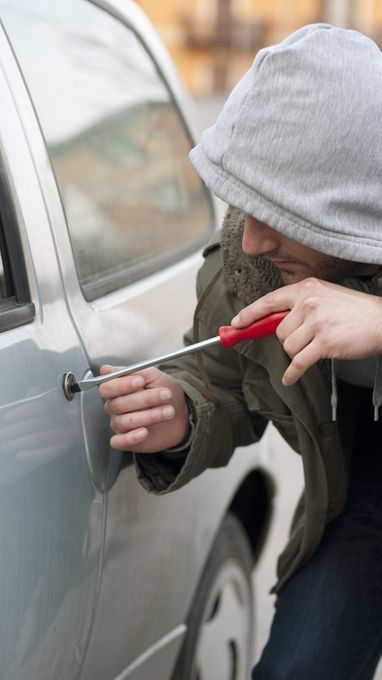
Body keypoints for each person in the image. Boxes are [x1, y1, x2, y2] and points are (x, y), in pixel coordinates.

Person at [99, 24, 382, 679]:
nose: (251, 241)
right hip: (362, 496)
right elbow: (226, 379)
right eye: (243, 204)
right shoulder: (252, 267)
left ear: (354, 208)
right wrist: (184, 410)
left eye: (278, 214)